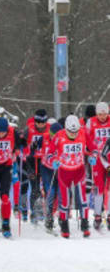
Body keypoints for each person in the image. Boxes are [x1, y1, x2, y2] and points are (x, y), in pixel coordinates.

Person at [49, 115, 90, 238]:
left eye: (75, 131)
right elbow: (50, 152)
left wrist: (92, 155)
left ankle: (85, 223)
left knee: (83, 198)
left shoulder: (83, 133)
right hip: (64, 172)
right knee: (65, 201)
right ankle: (64, 225)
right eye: (70, 132)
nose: (73, 134)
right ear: (65, 128)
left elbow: (91, 148)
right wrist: (54, 160)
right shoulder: (59, 136)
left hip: (79, 170)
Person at [22, 109, 50, 223]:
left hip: (45, 160)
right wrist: (27, 149)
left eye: (42, 122)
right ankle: (34, 212)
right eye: (38, 122)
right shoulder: (29, 130)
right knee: (35, 187)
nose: (40, 125)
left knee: (47, 187)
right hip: (32, 161)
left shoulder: (49, 128)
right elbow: (22, 144)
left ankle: (46, 211)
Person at [86, 102, 110, 230]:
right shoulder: (91, 122)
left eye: (105, 114)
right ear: (96, 113)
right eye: (100, 114)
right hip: (97, 158)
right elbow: (87, 138)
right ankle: (97, 215)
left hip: (109, 158)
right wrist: (91, 150)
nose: (102, 117)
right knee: (99, 187)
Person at [37, 122, 63, 232]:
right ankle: (49, 218)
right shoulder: (43, 138)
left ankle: (63, 218)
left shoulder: (63, 138)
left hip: (60, 168)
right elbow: (35, 150)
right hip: (46, 168)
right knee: (51, 192)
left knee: (62, 193)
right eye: (53, 135)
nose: (55, 138)